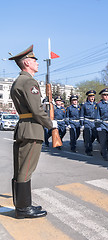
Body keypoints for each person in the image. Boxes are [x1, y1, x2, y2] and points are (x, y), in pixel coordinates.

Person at [9, 45, 57, 218]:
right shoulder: (29, 81)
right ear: (27, 62)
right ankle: (23, 209)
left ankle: (22, 205)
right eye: (35, 60)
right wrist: (52, 125)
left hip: (24, 127)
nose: (37, 63)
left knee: (21, 168)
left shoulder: (18, 81)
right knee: (26, 169)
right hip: (31, 129)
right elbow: (37, 110)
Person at [95, 88, 108, 161]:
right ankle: (104, 155)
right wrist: (98, 126)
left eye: (107, 95)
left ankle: (104, 148)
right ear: (101, 96)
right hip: (102, 124)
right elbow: (97, 116)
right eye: (104, 95)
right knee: (103, 140)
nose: (106, 96)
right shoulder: (99, 105)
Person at [80, 90, 97, 156]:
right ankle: (88, 150)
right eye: (90, 96)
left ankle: (88, 143)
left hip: (94, 122)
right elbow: (82, 115)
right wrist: (82, 124)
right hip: (87, 121)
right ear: (88, 97)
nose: (92, 97)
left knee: (94, 135)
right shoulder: (84, 105)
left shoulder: (96, 104)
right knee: (88, 136)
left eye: (93, 96)